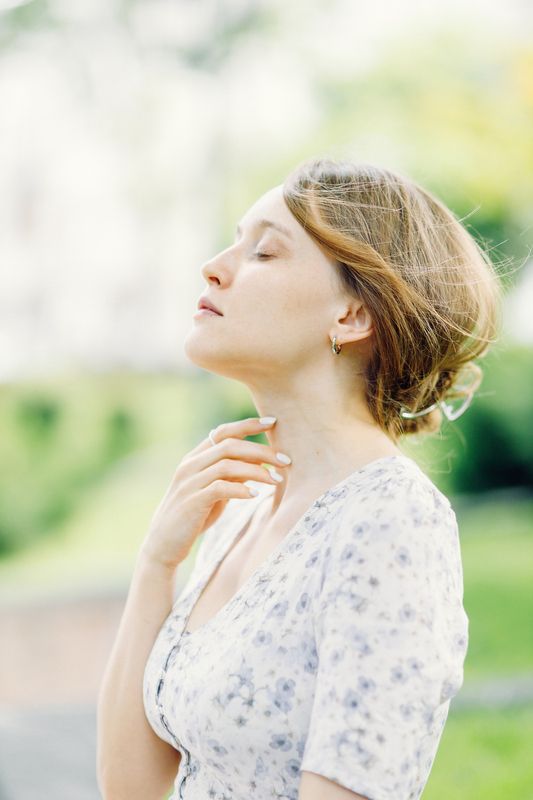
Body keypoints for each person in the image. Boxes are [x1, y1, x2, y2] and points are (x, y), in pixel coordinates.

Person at [97, 157, 502, 800]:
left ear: (352, 316)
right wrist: (156, 563)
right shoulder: (238, 512)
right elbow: (130, 788)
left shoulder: (390, 523)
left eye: (264, 252)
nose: (214, 267)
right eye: (235, 242)